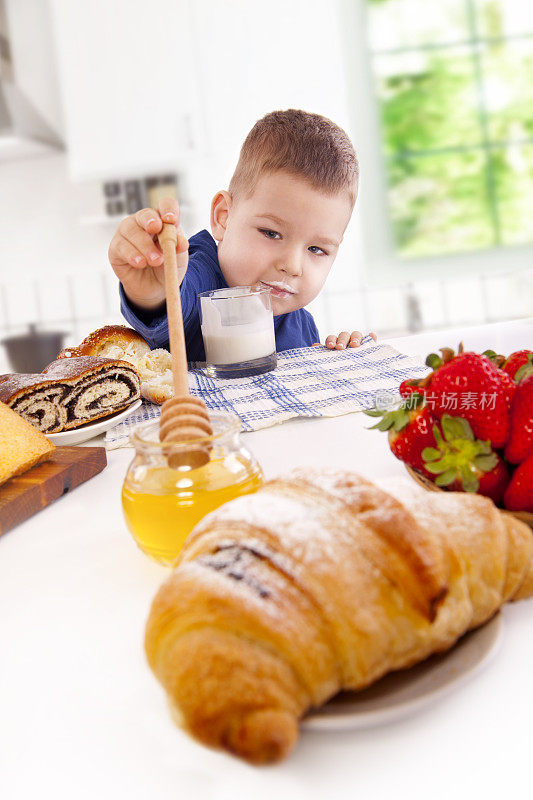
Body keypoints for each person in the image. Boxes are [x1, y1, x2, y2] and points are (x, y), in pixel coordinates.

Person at [108, 109, 375, 361]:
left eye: (317, 250)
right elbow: (173, 302)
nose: (292, 266)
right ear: (223, 216)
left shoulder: (302, 325)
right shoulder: (199, 278)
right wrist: (158, 288)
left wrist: (336, 355)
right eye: (271, 233)